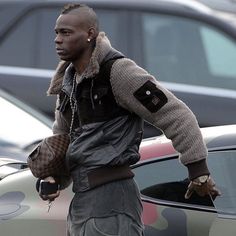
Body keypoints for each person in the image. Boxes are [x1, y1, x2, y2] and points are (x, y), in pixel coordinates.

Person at [38, 3, 220, 236]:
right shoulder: (69, 80)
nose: (58, 39)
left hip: (113, 201)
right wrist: (52, 176)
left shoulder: (118, 72)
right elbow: (62, 138)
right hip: (83, 202)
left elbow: (176, 115)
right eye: (56, 33)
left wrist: (198, 170)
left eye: (66, 32)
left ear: (90, 34)